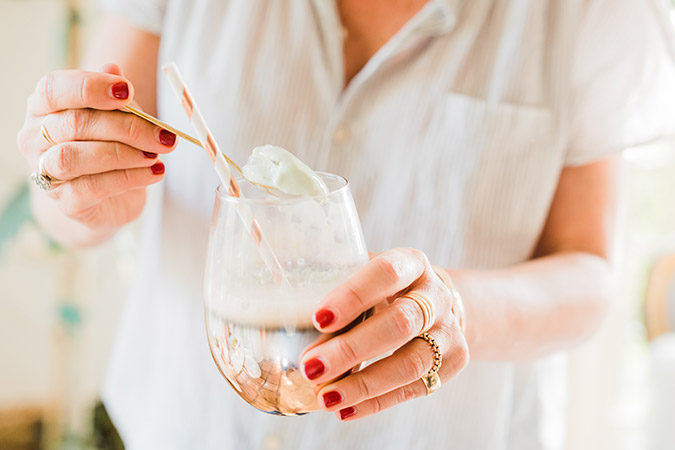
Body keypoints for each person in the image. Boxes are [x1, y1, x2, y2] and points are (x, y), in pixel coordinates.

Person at [16, 0, 675, 449]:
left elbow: (589, 274)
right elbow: (67, 199)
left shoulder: (591, 15)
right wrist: (76, 185)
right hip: (182, 425)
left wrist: (456, 308)